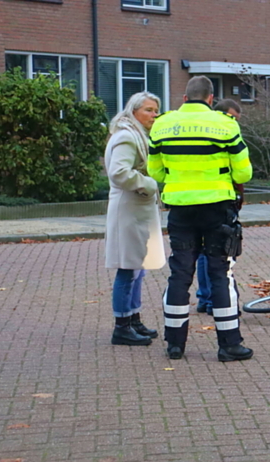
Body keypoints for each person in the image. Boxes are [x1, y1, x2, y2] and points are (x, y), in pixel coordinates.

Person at [148, 77, 253, 362]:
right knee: (221, 273)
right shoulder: (226, 125)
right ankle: (229, 344)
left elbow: (155, 171)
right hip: (217, 209)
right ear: (210, 99)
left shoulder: (162, 125)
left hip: (180, 210)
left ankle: (174, 344)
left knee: (179, 274)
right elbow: (244, 174)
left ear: (184, 98)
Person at [104, 91, 166, 345]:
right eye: (149, 110)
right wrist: (149, 184)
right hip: (128, 210)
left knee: (138, 269)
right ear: (134, 111)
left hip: (137, 210)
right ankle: (122, 326)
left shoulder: (136, 135)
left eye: (156, 110)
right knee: (128, 268)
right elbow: (119, 173)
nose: (154, 115)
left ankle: (133, 318)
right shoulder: (128, 137)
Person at [195, 99, 244, 317]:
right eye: (232, 117)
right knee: (215, 252)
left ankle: (205, 298)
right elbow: (240, 172)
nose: (235, 123)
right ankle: (211, 299)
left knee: (205, 253)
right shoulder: (221, 135)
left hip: (207, 199)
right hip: (215, 200)